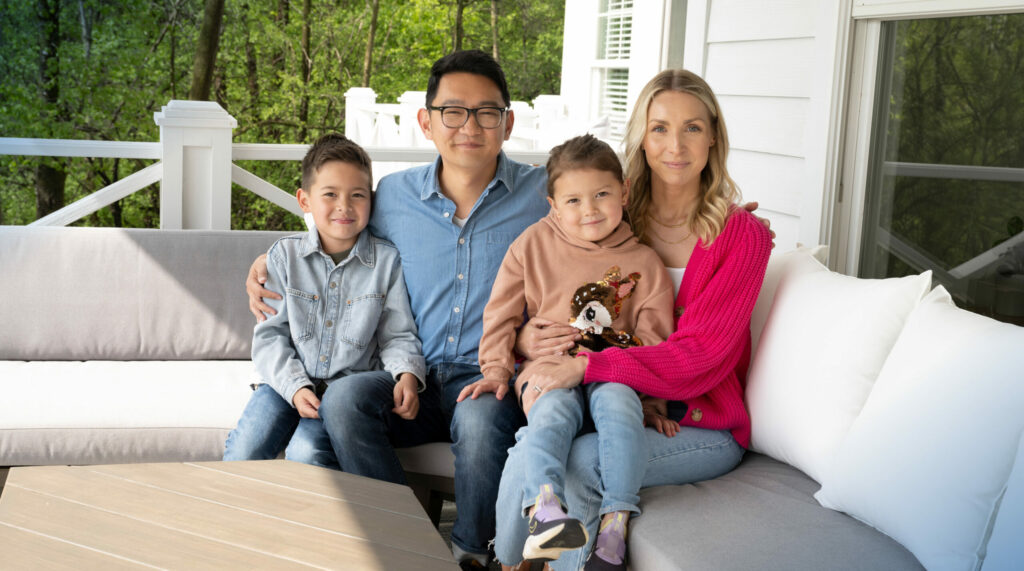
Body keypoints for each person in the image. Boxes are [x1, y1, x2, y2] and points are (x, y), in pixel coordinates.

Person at [245, 50, 550, 570]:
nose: (469, 126)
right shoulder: (392, 196)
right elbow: (335, 228)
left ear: (508, 122)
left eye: (486, 112)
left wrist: (715, 212)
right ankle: (408, 542)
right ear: (426, 122)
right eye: (453, 111)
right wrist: (269, 261)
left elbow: (608, 214)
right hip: (405, 372)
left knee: (478, 427)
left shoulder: (543, 194)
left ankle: (472, 554)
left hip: (487, 374)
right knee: (343, 400)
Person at [494, 69, 773, 571]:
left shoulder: (742, 235)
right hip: (611, 403)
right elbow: (545, 294)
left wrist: (588, 367)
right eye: (660, 127)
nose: (676, 145)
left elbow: (702, 358)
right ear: (642, 138)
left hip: (697, 420)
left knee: (579, 465)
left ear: (713, 137)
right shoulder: (611, 216)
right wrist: (522, 335)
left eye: (693, 127)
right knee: (532, 445)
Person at [459, 133, 678, 567]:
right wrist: (497, 370)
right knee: (552, 412)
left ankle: (615, 523)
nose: (590, 210)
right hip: (548, 369)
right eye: (573, 201)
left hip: (614, 374)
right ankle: (546, 512)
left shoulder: (646, 263)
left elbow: (656, 341)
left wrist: (652, 403)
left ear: (625, 192)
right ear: (553, 204)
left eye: (601, 195)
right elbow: (501, 314)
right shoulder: (532, 245)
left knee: (619, 403)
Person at [223, 134, 446, 479]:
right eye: (330, 194)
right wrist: (296, 387)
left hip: (344, 391)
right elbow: (270, 338)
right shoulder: (284, 257)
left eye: (357, 195)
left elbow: (397, 334)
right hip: (284, 384)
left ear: (371, 201)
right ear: (305, 200)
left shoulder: (386, 261)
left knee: (307, 452)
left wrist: (407, 374)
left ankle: (320, 528)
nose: (344, 206)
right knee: (246, 448)